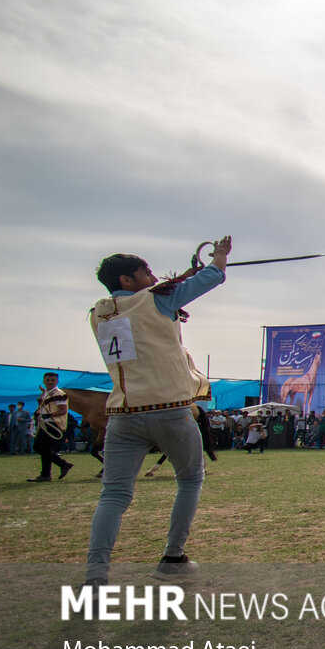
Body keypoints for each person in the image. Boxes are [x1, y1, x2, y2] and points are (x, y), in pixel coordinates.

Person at [82, 237, 231, 587]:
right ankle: (173, 557)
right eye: (144, 271)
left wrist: (174, 283)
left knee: (114, 495)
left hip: (122, 414)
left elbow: (149, 301)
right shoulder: (157, 300)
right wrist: (220, 256)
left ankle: (95, 576)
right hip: (169, 410)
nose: (151, 276)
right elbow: (214, 277)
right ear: (127, 281)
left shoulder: (98, 313)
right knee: (191, 479)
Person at [27, 372, 74, 481]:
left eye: (52, 380)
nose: (50, 382)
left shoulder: (59, 394)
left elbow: (63, 410)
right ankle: (62, 464)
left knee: (44, 448)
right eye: (48, 380)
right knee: (39, 448)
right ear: (44, 381)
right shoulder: (48, 393)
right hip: (46, 423)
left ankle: (46, 474)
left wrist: (49, 415)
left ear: (57, 381)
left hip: (53, 424)